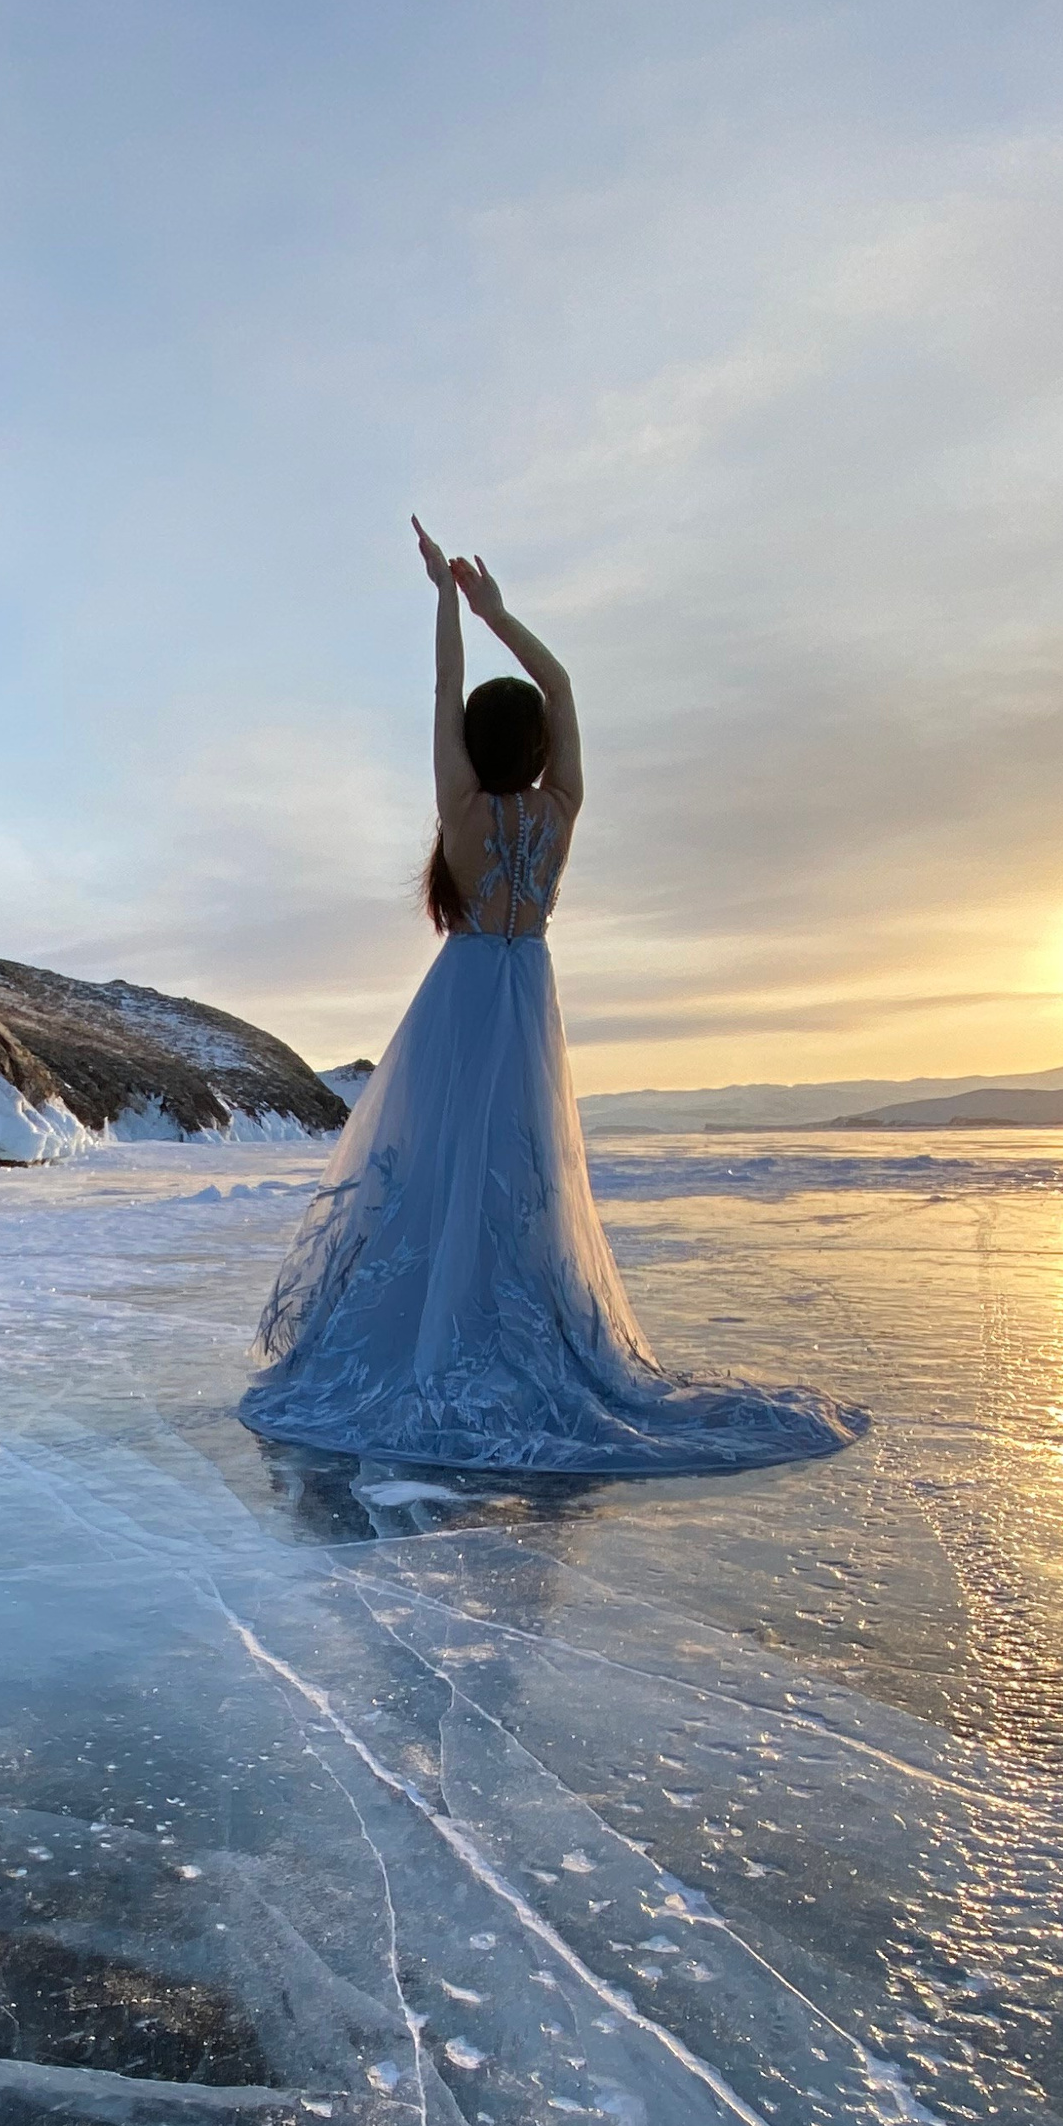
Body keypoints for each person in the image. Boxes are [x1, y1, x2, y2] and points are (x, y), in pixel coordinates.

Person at [237, 522, 865, 1476]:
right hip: (528, 991)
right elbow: (562, 689)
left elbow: (443, 696)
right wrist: (498, 614)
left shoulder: (464, 811)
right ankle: (513, 1336)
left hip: (466, 991)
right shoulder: (558, 810)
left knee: (441, 1172)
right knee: (517, 1180)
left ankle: (430, 1340)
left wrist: (445, 607)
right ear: (534, 750)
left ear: (477, 751)